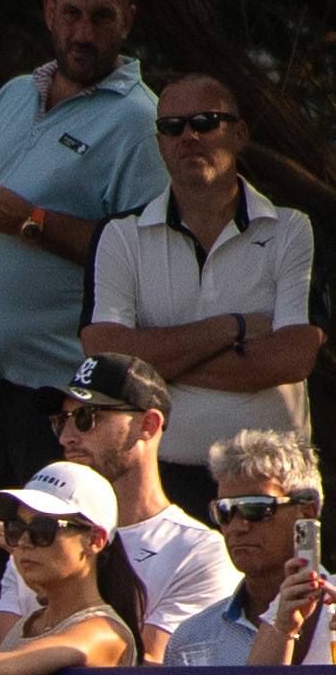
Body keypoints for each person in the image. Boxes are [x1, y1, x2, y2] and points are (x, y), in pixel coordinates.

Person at [0, 0, 166, 485]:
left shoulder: (139, 120)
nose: (83, 33)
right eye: (72, 14)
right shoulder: (14, 93)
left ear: (129, 19)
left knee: (54, 540)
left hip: (62, 391)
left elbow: (143, 255)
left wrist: (31, 219)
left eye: (102, 17)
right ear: (48, 13)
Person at [78, 74, 322, 520]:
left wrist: (154, 367)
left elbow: (292, 358)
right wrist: (233, 328)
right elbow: (106, 358)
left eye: (206, 122)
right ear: (160, 142)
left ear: (240, 133)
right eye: (173, 127)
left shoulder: (291, 230)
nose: (189, 136)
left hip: (271, 485)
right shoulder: (120, 237)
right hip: (160, 486)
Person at [0, 353, 235, 657]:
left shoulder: (198, 550)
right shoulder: (36, 533)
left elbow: (147, 673)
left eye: (87, 418)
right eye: (61, 421)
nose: (67, 438)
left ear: (148, 425)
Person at [0, 461, 146, 675]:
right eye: (15, 528)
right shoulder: (32, 623)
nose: (23, 541)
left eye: (43, 530)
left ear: (94, 540)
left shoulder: (104, 632)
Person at [162, 429, 332, 667]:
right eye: (224, 511)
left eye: (256, 509)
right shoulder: (193, 640)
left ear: (306, 512)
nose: (237, 527)